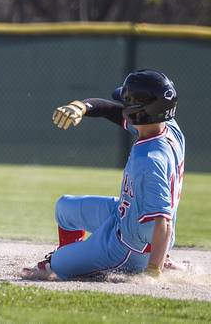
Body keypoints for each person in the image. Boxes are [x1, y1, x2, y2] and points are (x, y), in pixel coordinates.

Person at [22, 69, 184, 279]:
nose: (123, 107)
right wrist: (82, 106)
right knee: (64, 207)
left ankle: (152, 261)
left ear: (139, 112)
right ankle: (76, 256)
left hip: (128, 247)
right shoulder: (167, 127)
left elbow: (164, 221)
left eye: (127, 103)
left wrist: (152, 272)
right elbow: (112, 110)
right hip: (125, 216)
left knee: (58, 265)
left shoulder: (150, 160)